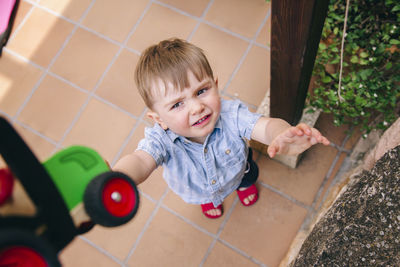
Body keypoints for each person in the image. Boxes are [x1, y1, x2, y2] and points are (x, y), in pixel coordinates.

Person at [113, 38, 330, 219]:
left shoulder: (230, 115)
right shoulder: (160, 140)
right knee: (206, 197)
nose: (197, 107)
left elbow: (264, 127)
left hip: (238, 172)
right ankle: (209, 201)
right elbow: (140, 161)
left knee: (248, 177)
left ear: (215, 85)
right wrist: (118, 177)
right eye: (178, 104)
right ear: (159, 119)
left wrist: (281, 133)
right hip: (198, 190)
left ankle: (243, 186)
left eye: (201, 91)